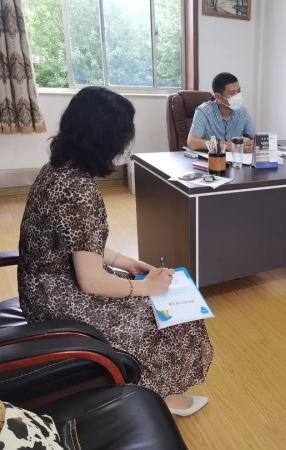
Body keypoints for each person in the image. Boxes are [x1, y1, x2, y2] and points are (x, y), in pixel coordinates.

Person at [18, 87, 213, 416]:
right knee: (171, 313)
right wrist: (146, 287)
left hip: (41, 289)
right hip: (60, 301)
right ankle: (165, 394)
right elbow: (92, 281)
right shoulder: (80, 190)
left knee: (158, 296)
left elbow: (78, 243)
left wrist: (129, 263)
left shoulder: (57, 170)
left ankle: (159, 385)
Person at [187, 72, 256, 152]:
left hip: (235, 159)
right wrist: (227, 145)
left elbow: (257, 138)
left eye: (239, 91)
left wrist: (254, 145)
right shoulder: (204, 111)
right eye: (232, 93)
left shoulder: (242, 112)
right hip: (211, 158)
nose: (237, 96)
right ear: (218, 97)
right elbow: (192, 143)